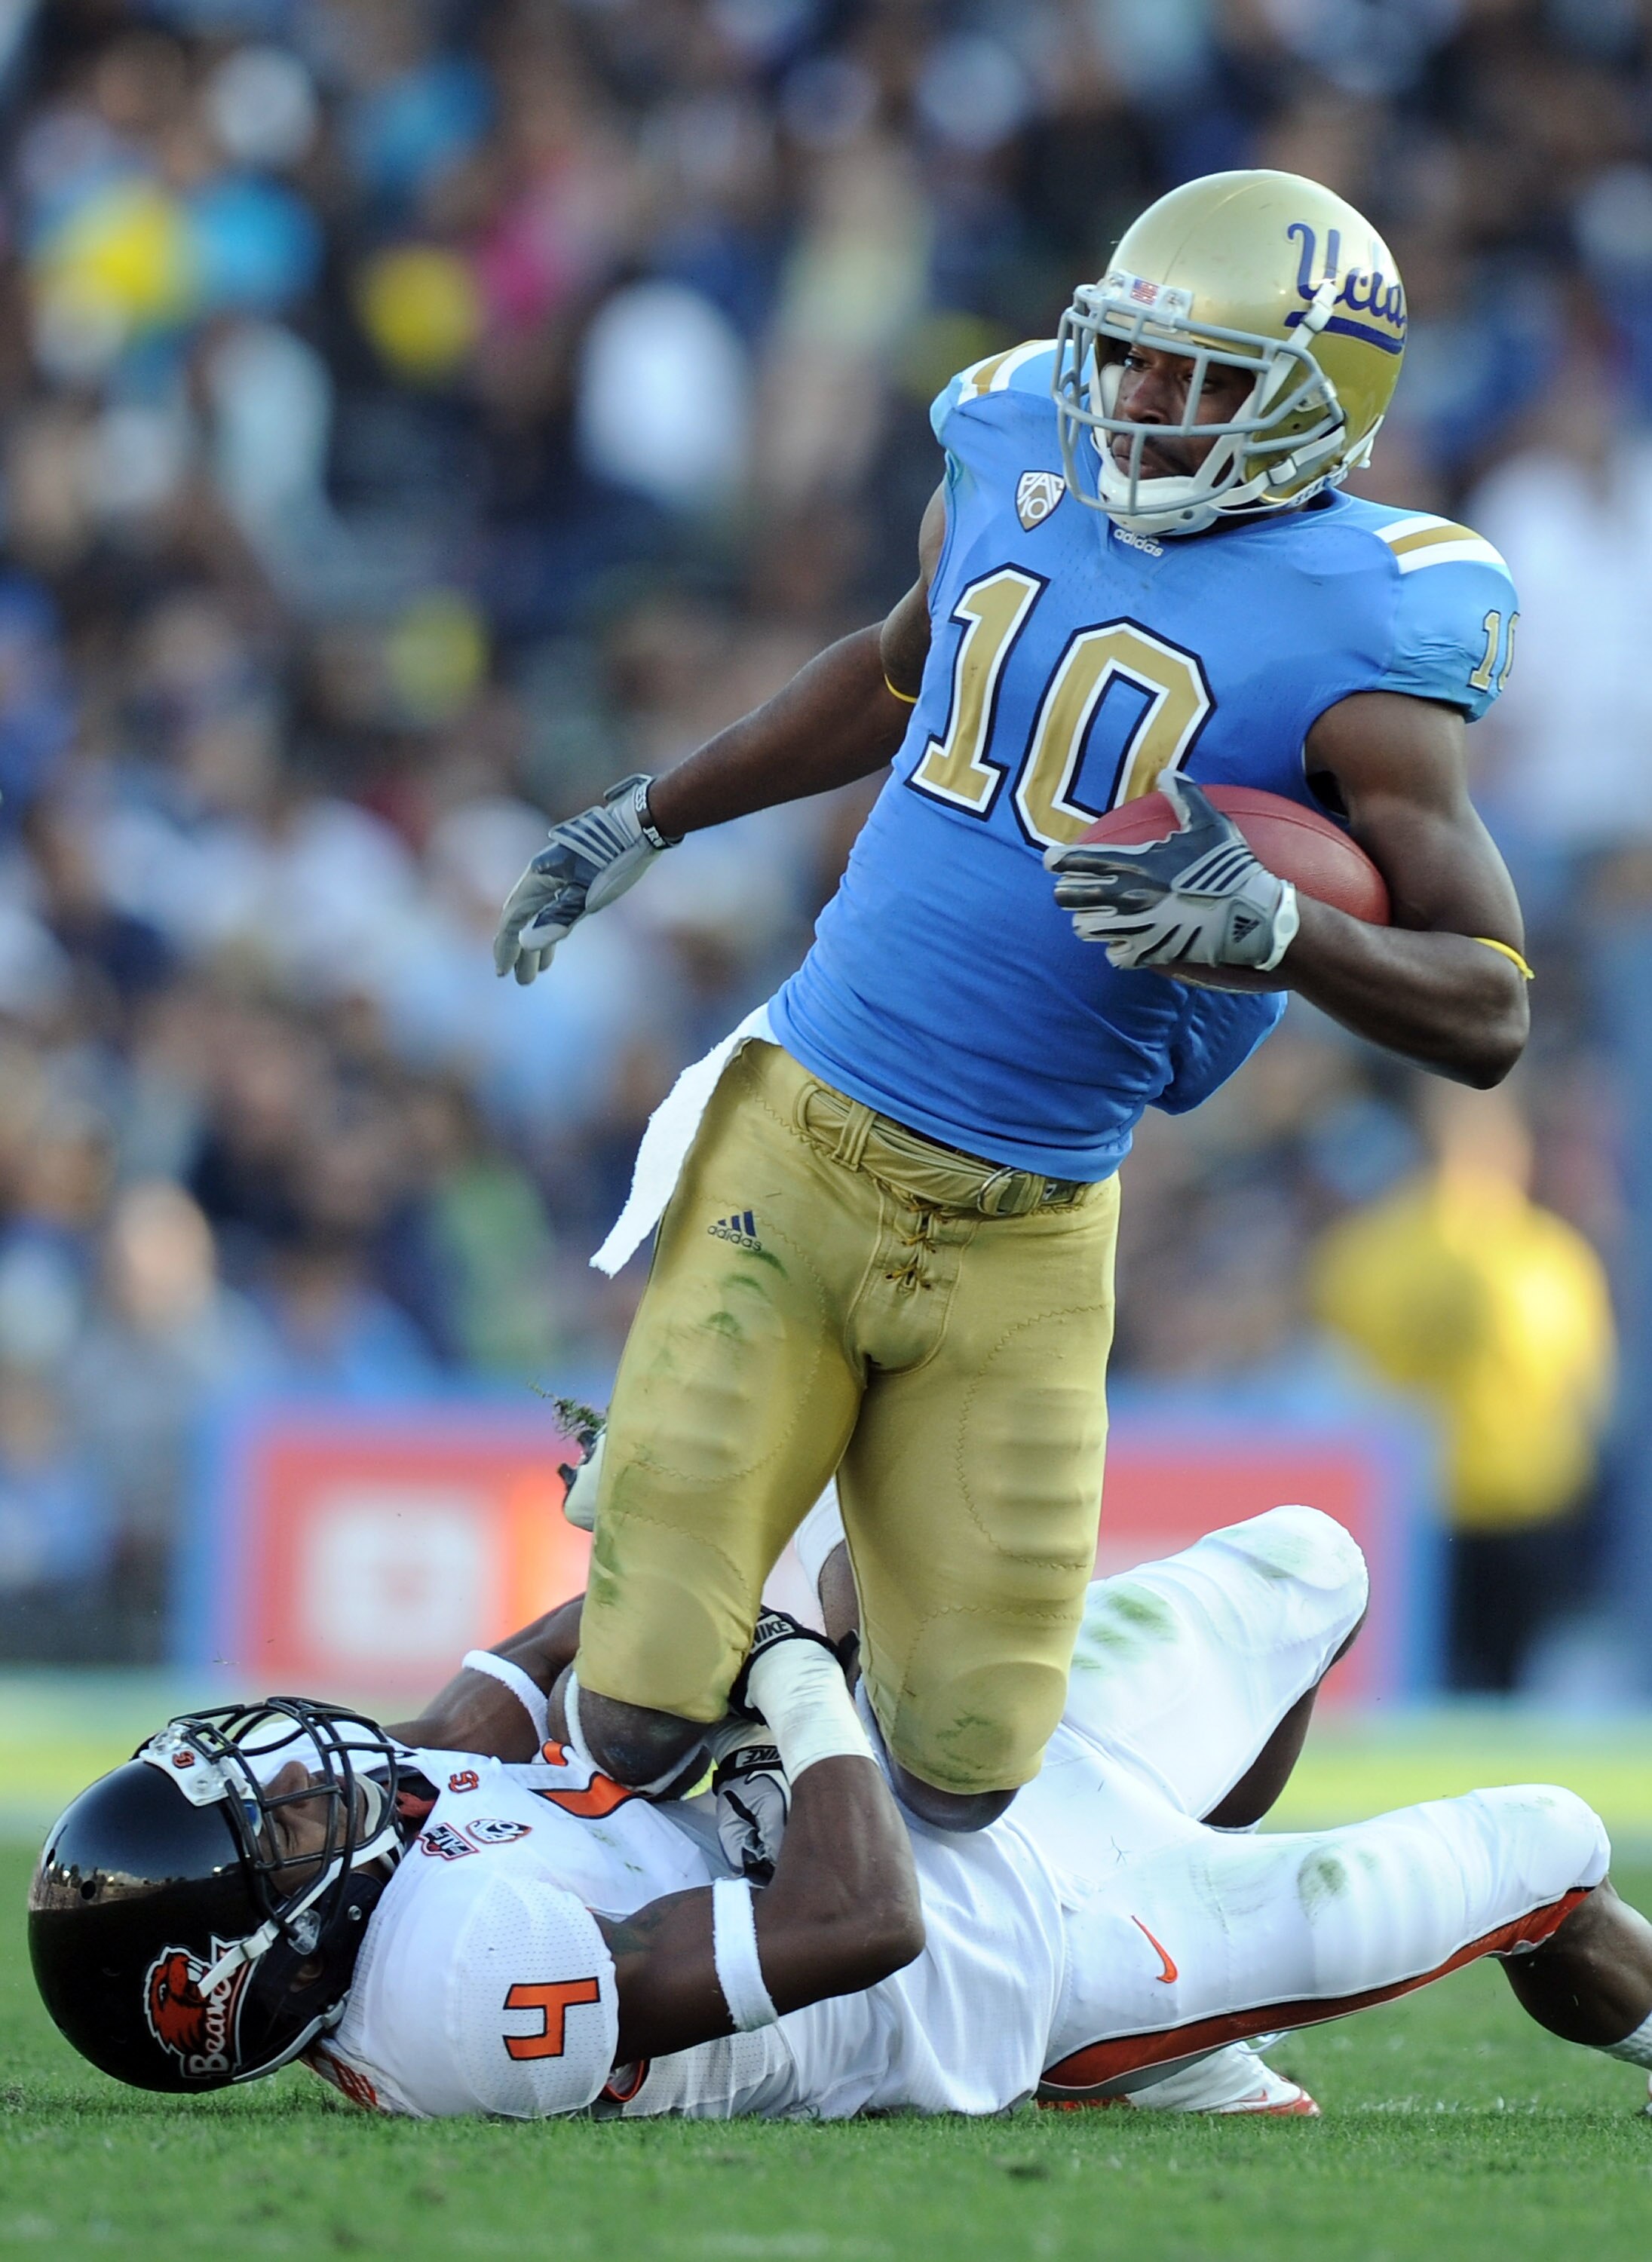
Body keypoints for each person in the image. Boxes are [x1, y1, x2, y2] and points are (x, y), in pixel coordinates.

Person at [488, 167, 1534, 1832]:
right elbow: (897, 666)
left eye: (1202, 381)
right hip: (804, 1137)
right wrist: (654, 808)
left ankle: (941, 1662)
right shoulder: (1008, 442)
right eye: (1128, 358)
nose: (1141, 404)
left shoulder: (1375, 618)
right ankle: (710, 1633)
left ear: (1316, 407)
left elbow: (1488, 1011)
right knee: (632, 1723)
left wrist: (1277, 928)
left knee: (966, 1780)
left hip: (1034, 1226)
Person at [31, 1497, 1652, 2123]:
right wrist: (799, 1670)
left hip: (943, 1779)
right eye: (280, 1832)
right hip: (1022, 1943)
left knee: (1318, 1559)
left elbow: (494, 1694)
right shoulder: (455, 1987)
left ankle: (1197, 2012)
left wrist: (667, 1520)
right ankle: (1158, 2036)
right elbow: (854, 1925)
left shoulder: (371, 1842)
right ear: (268, 1968)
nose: (307, 1782)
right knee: (1552, 1849)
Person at [1311, 1082, 1614, 1691]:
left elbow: (1335, 1383)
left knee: (1443, 1676)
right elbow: (1587, 1391)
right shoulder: (1546, 1257)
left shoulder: (1366, 1254)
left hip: (1484, 1502)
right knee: (1490, 1677)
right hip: (1462, 1502)